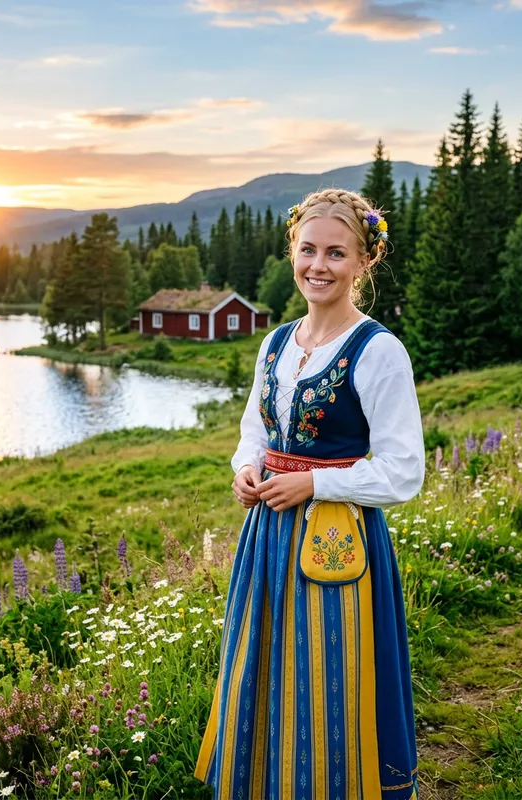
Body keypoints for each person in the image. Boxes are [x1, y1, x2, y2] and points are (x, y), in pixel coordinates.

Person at [193, 188, 425, 799]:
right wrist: (246, 469)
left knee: (328, 673)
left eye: (336, 253)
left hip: (337, 540)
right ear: (292, 252)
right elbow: (254, 431)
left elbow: (404, 471)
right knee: (266, 666)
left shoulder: (378, 350)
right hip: (267, 535)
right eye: (308, 250)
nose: (318, 266)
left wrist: (315, 482)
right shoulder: (275, 343)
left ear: (364, 261)